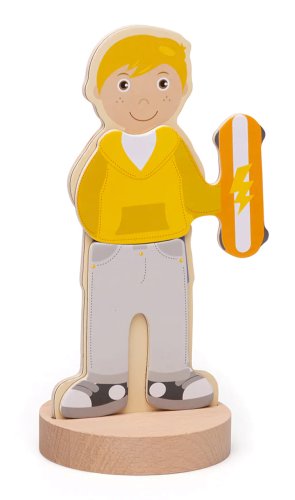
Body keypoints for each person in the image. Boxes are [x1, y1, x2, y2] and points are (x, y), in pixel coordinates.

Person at [59, 31, 226, 418]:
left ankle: (172, 379)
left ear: (181, 89)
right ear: (97, 92)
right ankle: (103, 383)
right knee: (108, 315)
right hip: (112, 251)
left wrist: (224, 199)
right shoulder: (105, 150)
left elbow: (195, 194)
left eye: (163, 83)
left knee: (169, 314)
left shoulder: (173, 146)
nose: (145, 100)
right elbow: (87, 197)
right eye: (124, 85)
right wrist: (108, 228)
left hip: (166, 249)